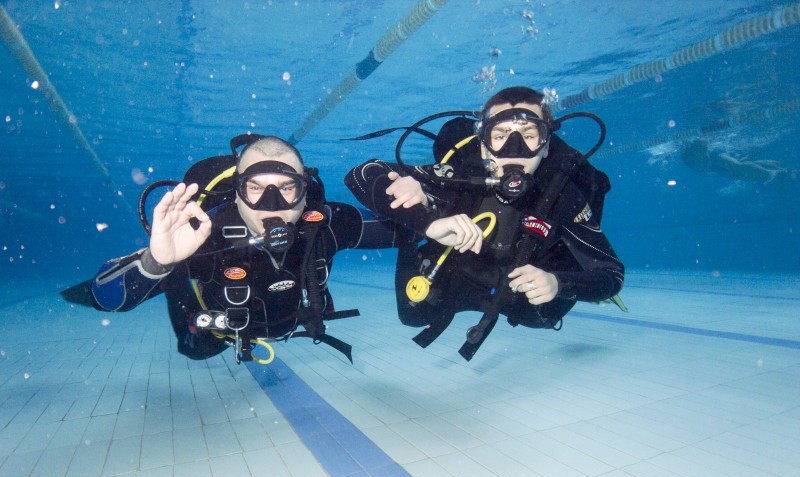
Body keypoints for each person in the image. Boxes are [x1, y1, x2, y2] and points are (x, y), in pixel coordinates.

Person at [344, 86, 625, 360]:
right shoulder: (458, 177)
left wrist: (558, 283)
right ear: (483, 145)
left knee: (543, 316)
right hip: (462, 278)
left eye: (529, 135)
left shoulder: (563, 196)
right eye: (500, 135)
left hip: (523, 297)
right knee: (413, 313)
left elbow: (612, 274)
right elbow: (361, 174)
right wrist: (423, 218)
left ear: (546, 145)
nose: (514, 150)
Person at [88, 134, 401, 363]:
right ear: (237, 194)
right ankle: (175, 283)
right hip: (221, 330)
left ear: (305, 192)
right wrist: (157, 262)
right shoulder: (207, 237)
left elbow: (407, 232)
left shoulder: (325, 225)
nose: (271, 205)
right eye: (255, 188)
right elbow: (106, 298)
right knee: (195, 351)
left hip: (298, 320)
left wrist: (426, 211)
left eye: (286, 187)